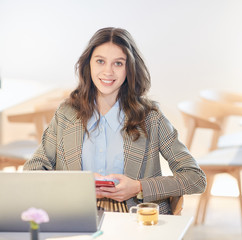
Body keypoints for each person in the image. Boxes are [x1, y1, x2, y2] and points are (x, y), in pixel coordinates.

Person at [23, 27, 206, 214]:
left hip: (135, 221)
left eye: (118, 63)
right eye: (100, 61)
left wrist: (138, 187)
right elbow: (33, 171)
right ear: (89, 65)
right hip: (75, 215)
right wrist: (77, 185)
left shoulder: (151, 117)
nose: (108, 71)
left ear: (129, 68)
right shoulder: (66, 114)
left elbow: (195, 178)